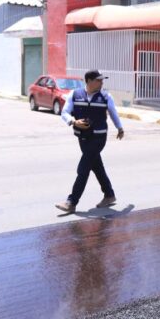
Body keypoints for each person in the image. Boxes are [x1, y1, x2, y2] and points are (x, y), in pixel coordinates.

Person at [56, 70, 125, 214]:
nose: (102, 82)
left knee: (83, 169)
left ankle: (71, 202)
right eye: (98, 80)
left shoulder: (106, 96)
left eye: (102, 80)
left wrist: (120, 127)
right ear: (88, 80)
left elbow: (113, 113)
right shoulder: (75, 94)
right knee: (97, 167)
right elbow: (65, 112)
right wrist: (74, 121)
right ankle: (109, 194)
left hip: (99, 138)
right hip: (83, 138)